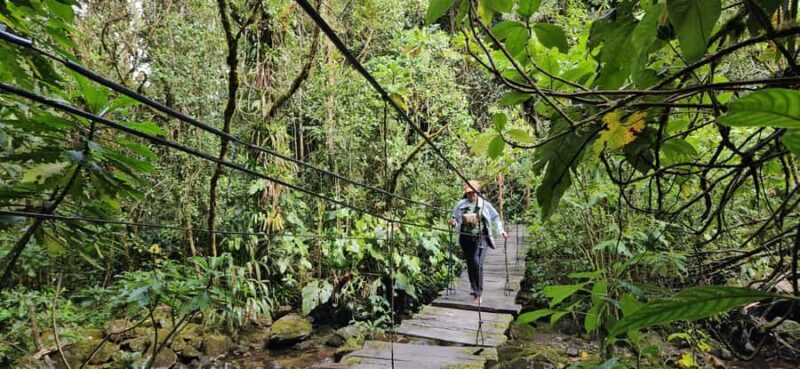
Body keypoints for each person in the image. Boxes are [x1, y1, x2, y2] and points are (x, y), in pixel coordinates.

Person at [449, 180, 507, 303]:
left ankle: (478, 293)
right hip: (466, 238)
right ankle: (474, 288)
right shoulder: (460, 205)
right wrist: (453, 222)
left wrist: (501, 230)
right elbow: (454, 217)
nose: (471, 195)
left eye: (473, 193)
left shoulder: (485, 205)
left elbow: (495, 217)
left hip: (481, 238)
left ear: (477, 192)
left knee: (477, 263)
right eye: (469, 193)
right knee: (471, 264)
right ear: (466, 194)